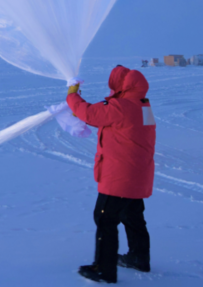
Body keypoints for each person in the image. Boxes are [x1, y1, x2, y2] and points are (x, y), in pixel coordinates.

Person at [66, 65, 156, 283]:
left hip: (120, 175)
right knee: (132, 216)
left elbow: (91, 114)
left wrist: (72, 95)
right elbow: (115, 123)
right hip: (137, 173)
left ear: (121, 85)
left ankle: (103, 269)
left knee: (105, 219)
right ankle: (138, 258)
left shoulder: (120, 105)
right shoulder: (143, 106)